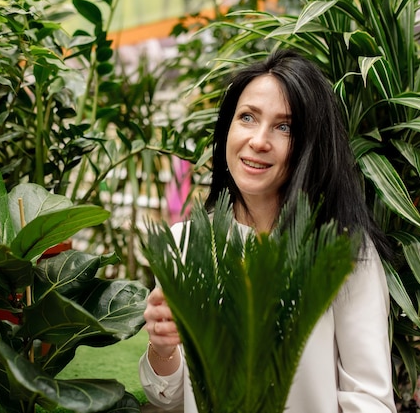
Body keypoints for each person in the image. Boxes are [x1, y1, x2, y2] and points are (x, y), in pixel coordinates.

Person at [139, 49, 397, 412]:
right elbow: (173, 398)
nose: (259, 141)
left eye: (284, 127)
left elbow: (369, 401)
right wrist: (162, 347)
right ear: (227, 128)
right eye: (247, 117)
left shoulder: (343, 252)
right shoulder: (186, 244)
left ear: (310, 145)